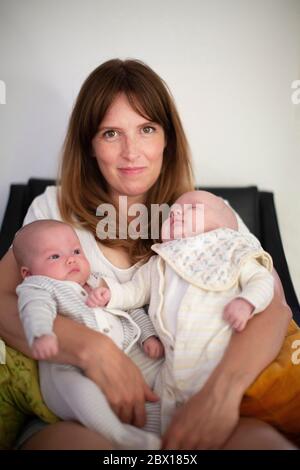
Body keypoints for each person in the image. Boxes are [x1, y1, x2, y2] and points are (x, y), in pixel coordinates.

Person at [0, 58, 296, 450]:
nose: (132, 152)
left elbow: (275, 309)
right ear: (89, 144)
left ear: (166, 138)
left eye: (146, 129)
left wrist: (220, 397)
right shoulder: (53, 210)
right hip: (85, 418)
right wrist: (92, 349)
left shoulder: (208, 212)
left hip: (197, 405)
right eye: (111, 133)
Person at [86, 190, 283, 434]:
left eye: (191, 208)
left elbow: (262, 281)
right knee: (165, 426)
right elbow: (135, 291)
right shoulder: (160, 261)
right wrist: (111, 295)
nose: (177, 212)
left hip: (217, 363)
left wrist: (247, 302)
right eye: (173, 212)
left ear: (224, 227)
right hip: (172, 375)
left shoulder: (231, 250)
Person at [13, 219, 163, 449]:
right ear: (28, 273)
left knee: (153, 382)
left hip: (124, 355)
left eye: (75, 251)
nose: (71, 259)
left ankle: (157, 438)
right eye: (55, 256)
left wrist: (148, 336)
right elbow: (34, 309)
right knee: (79, 390)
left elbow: (130, 306)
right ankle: (120, 437)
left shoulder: (95, 280)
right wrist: (41, 333)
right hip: (68, 366)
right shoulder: (38, 286)